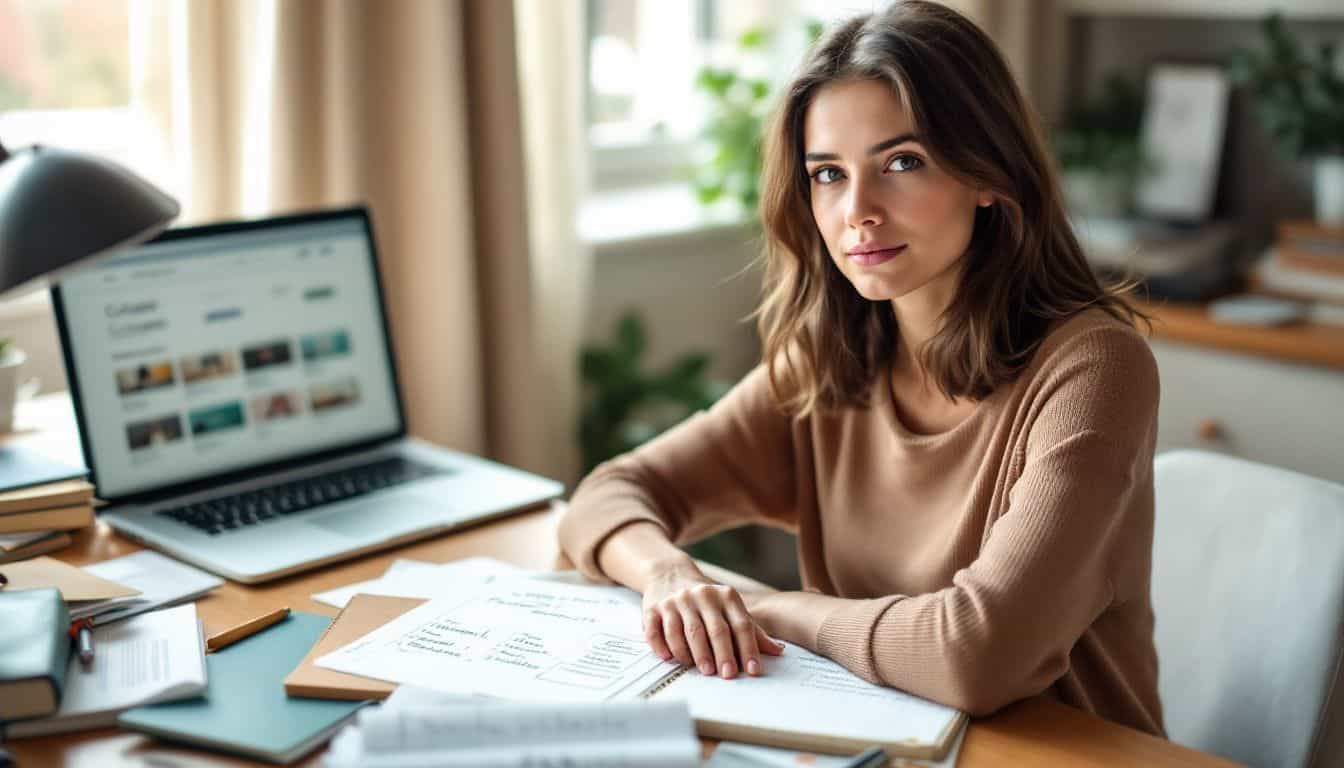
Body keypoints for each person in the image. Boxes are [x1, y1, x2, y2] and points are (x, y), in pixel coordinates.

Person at [558, 0, 1164, 736]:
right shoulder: (832, 361)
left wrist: (767, 608)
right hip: (871, 743)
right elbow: (607, 495)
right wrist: (670, 575)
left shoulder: (1093, 369)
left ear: (989, 173)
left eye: (901, 163)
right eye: (827, 174)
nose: (857, 211)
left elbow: (980, 653)